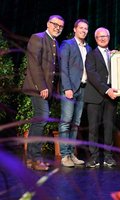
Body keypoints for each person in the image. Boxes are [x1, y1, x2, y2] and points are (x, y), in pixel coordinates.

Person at [22, 15, 65, 171]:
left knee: (39, 120)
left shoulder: (55, 42)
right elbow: (33, 63)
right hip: (38, 88)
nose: (57, 27)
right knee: (41, 119)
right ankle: (36, 158)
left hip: (48, 91)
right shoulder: (38, 37)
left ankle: (31, 159)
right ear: (48, 24)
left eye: (61, 26)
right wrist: (41, 86)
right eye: (55, 24)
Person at [59, 19, 92, 167]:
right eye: (81, 28)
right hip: (70, 89)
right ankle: (65, 155)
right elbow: (63, 68)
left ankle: (71, 153)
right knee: (66, 122)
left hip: (83, 89)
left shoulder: (89, 48)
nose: (84, 31)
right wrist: (67, 88)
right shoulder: (67, 44)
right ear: (75, 29)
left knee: (75, 123)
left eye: (86, 29)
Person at [84, 27, 118, 168]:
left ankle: (108, 157)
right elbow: (92, 75)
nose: (103, 38)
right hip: (95, 96)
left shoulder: (114, 55)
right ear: (96, 39)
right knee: (93, 128)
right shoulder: (91, 55)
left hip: (112, 96)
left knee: (109, 127)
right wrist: (106, 90)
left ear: (109, 38)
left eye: (105, 36)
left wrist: (117, 58)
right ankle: (94, 157)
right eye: (99, 37)